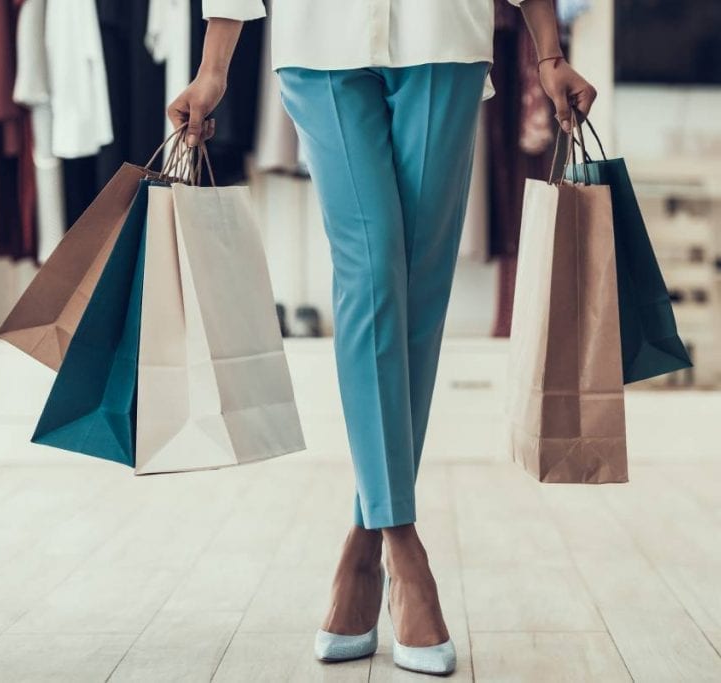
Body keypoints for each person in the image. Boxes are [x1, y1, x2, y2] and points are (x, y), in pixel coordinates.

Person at [169, 0, 596, 675]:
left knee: (420, 296)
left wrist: (547, 52)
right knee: (370, 273)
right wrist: (214, 66)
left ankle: (364, 545)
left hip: (443, 34)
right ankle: (404, 547)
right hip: (321, 41)